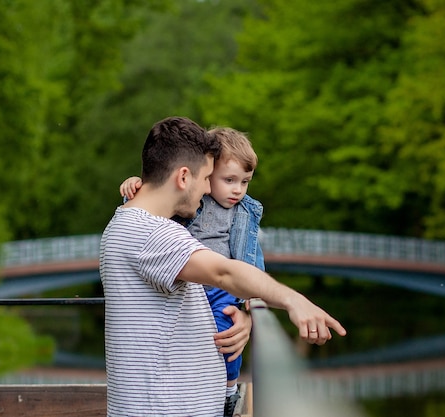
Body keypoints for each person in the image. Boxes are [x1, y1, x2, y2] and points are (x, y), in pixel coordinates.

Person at [100, 116, 346, 417]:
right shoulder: (152, 234)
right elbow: (224, 272)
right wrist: (293, 300)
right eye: (207, 178)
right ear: (183, 177)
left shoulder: (130, 225)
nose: (207, 191)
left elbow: (188, 303)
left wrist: (242, 316)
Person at [119, 126, 264, 416]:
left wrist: (252, 303)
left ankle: (229, 389)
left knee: (226, 335)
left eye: (245, 182)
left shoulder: (243, 212)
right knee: (195, 341)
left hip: (223, 288)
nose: (237, 189)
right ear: (205, 175)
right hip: (191, 284)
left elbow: (252, 260)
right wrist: (136, 185)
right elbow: (152, 207)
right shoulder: (191, 199)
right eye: (229, 180)